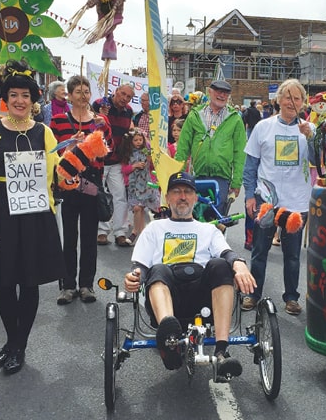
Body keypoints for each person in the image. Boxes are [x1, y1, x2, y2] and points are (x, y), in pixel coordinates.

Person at [0, 60, 65, 375]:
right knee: (4, 281)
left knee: (29, 282)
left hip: (34, 213)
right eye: (14, 94)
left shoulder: (45, 133)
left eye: (25, 95)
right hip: (0, 210)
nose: (20, 101)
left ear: (33, 99)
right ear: (5, 97)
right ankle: (12, 341)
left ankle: (18, 346)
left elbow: (55, 174)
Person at [122, 171, 256, 378]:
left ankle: (221, 352)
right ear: (167, 198)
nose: (182, 196)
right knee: (158, 269)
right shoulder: (154, 229)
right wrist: (134, 278)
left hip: (201, 297)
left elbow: (227, 253)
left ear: (195, 198)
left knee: (221, 265)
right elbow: (140, 266)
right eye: (176, 192)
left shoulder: (209, 230)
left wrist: (239, 265)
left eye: (187, 192)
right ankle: (170, 341)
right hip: (167, 295)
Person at [242, 79, 314, 316]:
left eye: (298, 98)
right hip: (266, 201)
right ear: (279, 100)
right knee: (259, 251)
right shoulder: (263, 127)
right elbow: (251, 165)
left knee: (292, 255)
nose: (292, 102)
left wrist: (312, 138)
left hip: (296, 202)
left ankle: (291, 297)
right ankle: (253, 294)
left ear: (303, 103)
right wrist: (250, 196)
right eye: (288, 97)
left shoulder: (308, 130)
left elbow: (319, 161)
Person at [50, 75, 111, 305]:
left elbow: (110, 149)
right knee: (69, 236)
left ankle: (86, 284)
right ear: (70, 94)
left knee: (88, 236)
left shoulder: (100, 120)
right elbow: (51, 150)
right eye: (78, 91)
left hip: (92, 181)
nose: (83, 96)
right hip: (68, 182)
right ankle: (67, 285)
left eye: (87, 91)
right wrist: (70, 145)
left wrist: (98, 139)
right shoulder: (58, 120)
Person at [174, 79, 246, 213]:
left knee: (216, 219)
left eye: (226, 93)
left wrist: (236, 182)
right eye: (219, 92)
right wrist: (178, 176)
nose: (222, 95)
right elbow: (183, 148)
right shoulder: (195, 115)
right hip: (197, 176)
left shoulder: (235, 118)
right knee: (196, 216)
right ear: (210, 92)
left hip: (222, 178)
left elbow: (240, 153)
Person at [93, 83, 135, 247]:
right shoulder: (100, 103)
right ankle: (102, 232)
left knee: (119, 196)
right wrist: (101, 115)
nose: (124, 98)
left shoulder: (129, 111)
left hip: (117, 159)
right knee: (101, 197)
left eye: (128, 96)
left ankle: (120, 232)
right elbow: (92, 125)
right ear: (116, 91)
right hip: (100, 159)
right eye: (122, 94)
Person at [120, 129, 160, 243]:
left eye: (140, 139)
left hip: (145, 184)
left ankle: (135, 233)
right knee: (137, 208)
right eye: (135, 140)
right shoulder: (128, 154)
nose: (138, 142)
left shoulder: (146, 151)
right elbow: (124, 169)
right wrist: (134, 166)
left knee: (140, 208)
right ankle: (141, 234)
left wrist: (148, 160)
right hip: (133, 185)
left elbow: (152, 166)